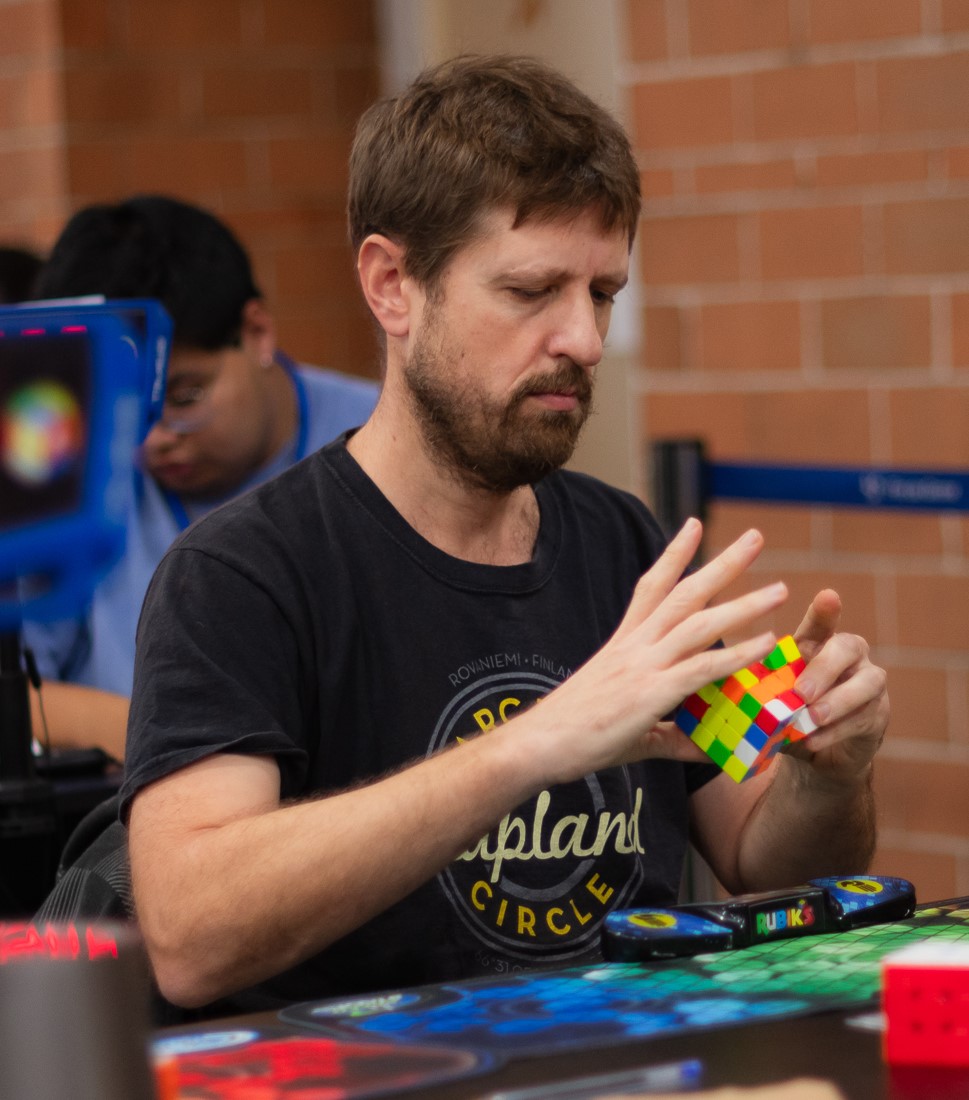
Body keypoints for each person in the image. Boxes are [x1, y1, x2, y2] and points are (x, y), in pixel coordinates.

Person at [121, 56, 888, 1017]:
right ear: (392, 285)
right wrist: (531, 746)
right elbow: (190, 937)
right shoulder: (244, 573)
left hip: (637, 1064)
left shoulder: (625, 544)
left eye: (601, 294)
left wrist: (829, 775)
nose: (584, 340)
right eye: (531, 291)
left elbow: (760, 861)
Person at [21, 196, 379, 759]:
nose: (152, 439)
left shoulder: (383, 438)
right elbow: (19, 691)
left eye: (184, 396)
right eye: (120, 407)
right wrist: (179, 741)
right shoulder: (70, 477)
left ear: (257, 332)